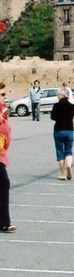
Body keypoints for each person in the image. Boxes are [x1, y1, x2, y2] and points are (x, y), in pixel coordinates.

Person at [51, 87, 74, 181]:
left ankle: (62, 173)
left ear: (61, 95)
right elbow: (72, 116)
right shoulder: (72, 106)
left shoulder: (56, 105)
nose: (57, 96)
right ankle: (69, 165)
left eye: (58, 95)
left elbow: (53, 117)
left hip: (59, 129)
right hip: (69, 129)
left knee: (60, 151)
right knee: (68, 151)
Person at [0, 82, 15, 232]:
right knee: (4, 183)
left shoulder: (2, 112)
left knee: (3, 184)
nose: (5, 97)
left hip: (1, 154)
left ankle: (4, 221)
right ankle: (4, 222)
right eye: (2, 94)